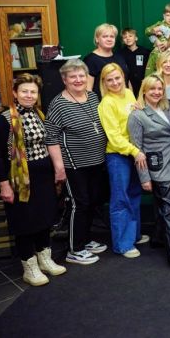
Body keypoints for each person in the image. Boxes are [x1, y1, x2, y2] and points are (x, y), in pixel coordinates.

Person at [0, 74, 67, 286]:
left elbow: (49, 142)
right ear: (15, 93)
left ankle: (45, 259)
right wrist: (4, 184)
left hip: (43, 177)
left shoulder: (40, 114)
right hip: (19, 180)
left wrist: (57, 170)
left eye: (33, 92)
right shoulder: (4, 119)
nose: (29, 95)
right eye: (24, 91)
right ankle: (29, 268)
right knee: (24, 222)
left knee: (44, 219)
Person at [45, 59, 108, 266]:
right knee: (79, 205)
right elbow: (51, 137)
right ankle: (75, 249)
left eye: (82, 75)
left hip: (96, 161)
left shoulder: (92, 96)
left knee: (92, 202)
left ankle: (85, 239)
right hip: (74, 164)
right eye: (73, 77)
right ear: (64, 79)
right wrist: (59, 167)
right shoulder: (58, 104)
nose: (78, 80)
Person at [127, 75, 170, 274]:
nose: (156, 92)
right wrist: (144, 178)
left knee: (165, 208)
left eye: (159, 88)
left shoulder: (169, 106)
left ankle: (157, 238)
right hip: (159, 168)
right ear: (144, 91)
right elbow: (138, 150)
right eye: (152, 89)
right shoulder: (137, 115)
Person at [98, 63, 148, 259]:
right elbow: (114, 137)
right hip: (118, 155)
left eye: (117, 78)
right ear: (104, 83)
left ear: (123, 77)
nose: (115, 82)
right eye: (109, 80)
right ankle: (123, 244)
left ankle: (133, 235)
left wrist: (139, 109)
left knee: (134, 194)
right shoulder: (106, 103)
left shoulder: (128, 93)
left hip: (133, 152)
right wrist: (135, 151)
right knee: (120, 199)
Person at [84, 23, 129, 98]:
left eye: (112, 36)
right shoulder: (90, 60)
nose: (109, 39)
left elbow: (127, 80)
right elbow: (88, 89)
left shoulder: (119, 56)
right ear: (97, 39)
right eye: (105, 36)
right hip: (103, 103)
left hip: (124, 101)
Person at [117, 28, 150, 97]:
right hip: (127, 84)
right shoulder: (120, 53)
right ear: (123, 40)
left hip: (143, 83)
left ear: (136, 38)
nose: (128, 38)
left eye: (130, 36)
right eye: (125, 37)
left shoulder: (145, 52)